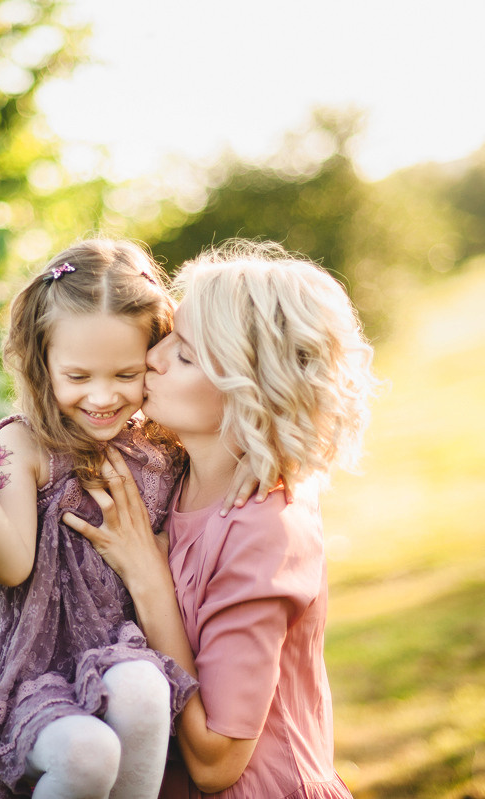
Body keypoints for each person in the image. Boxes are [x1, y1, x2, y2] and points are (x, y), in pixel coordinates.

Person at [0, 240, 255, 798]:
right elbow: (11, 566)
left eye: (125, 374)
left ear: (153, 358)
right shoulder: (26, 442)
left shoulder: (157, 442)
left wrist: (258, 465)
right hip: (35, 668)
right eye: (79, 376)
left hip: (122, 647)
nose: (104, 397)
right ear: (42, 364)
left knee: (146, 691)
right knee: (86, 756)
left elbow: (226, 434)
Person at [65, 240, 376, 798]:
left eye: (184, 355)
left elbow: (217, 761)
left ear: (248, 392)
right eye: (167, 340)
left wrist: (148, 578)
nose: (154, 359)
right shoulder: (168, 475)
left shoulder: (265, 531)